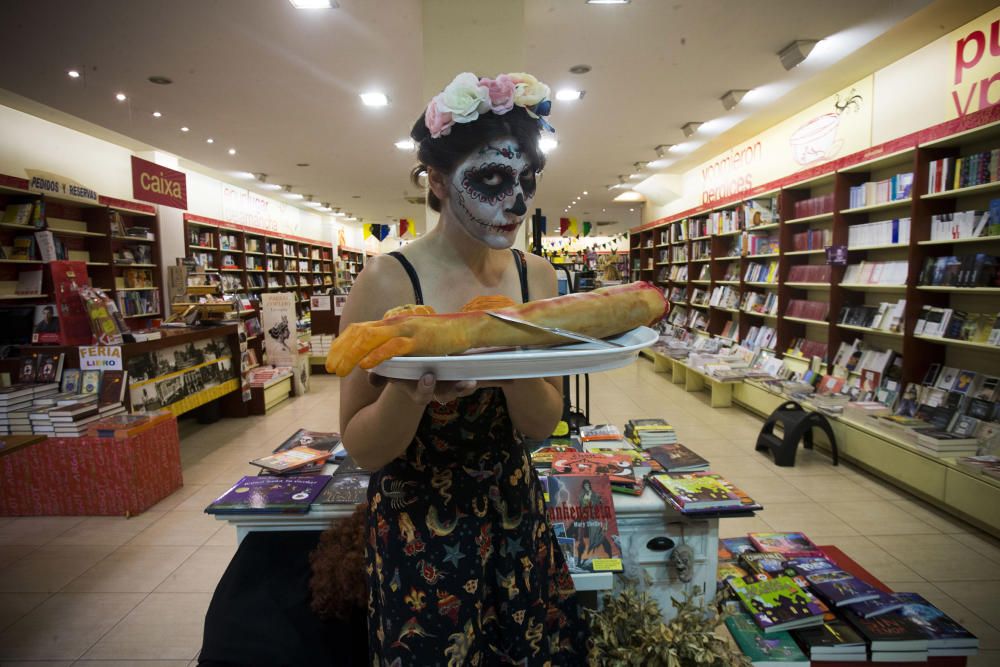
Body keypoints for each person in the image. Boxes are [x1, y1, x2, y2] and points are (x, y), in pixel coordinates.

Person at [328, 72, 589, 664]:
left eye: (526, 179)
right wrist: (413, 394)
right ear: (439, 183)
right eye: (492, 179)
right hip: (417, 527)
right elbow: (363, 449)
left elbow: (542, 426)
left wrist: (511, 370)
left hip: (515, 515)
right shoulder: (385, 281)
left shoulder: (537, 277)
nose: (517, 203)